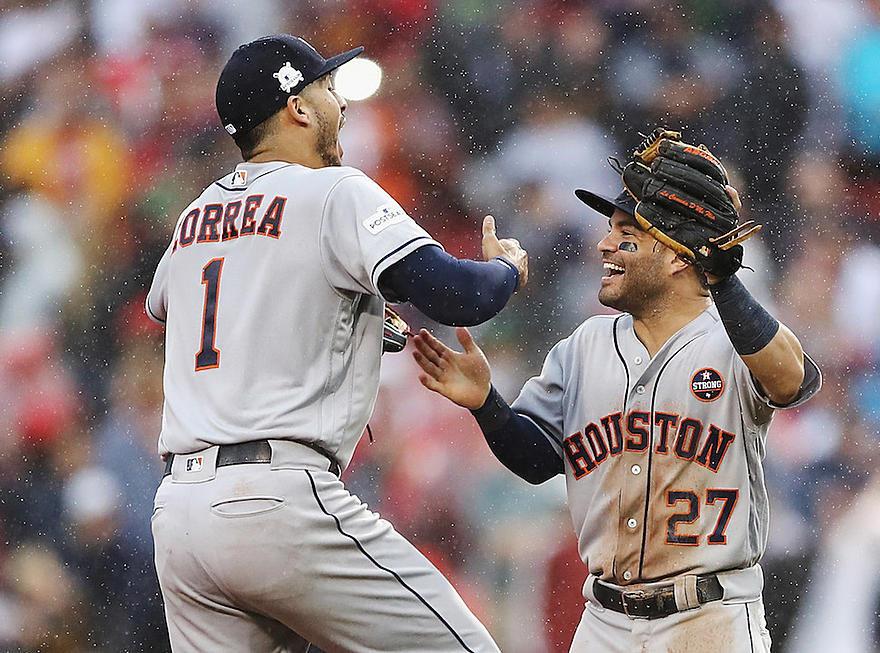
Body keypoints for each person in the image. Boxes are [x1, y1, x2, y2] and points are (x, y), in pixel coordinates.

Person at [145, 34, 527, 652]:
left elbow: (168, 303)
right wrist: (507, 267)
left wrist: (345, 315)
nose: (340, 103)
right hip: (277, 503)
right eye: (327, 88)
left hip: (182, 518)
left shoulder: (194, 216)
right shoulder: (333, 191)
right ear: (297, 107)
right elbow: (461, 295)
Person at [412, 148, 821, 651]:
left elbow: (792, 381)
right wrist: (486, 405)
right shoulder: (585, 346)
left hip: (709, 618)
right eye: (610, 230)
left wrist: (723, 278)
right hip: (605, 621)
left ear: (677, 255)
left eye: (627, 235)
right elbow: (540, 460)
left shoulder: (736, 339)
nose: (604, 244)